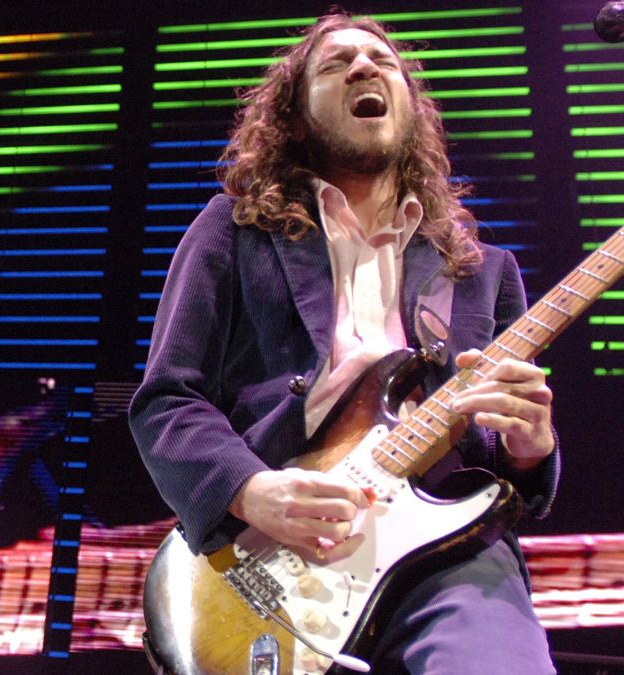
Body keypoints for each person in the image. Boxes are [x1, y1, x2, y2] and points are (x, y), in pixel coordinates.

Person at [129, 10, 561, 674]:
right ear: (295, 118)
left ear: (411, 111)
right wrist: (252, 490)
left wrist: (530, 448)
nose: (364, 66)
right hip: (268, 552)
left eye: (383, 61)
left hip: (447, 548)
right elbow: (166, 401)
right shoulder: (233, 230)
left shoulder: (483, 272)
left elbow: (500, 467)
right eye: (336, 65)